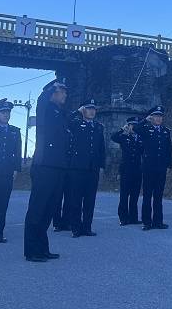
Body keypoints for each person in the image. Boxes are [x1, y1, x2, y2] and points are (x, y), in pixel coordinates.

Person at [23, 79, 71, 262]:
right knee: (38, 209)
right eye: (62, 91)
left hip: (59, 166)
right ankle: (31, 251)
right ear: (53, 92)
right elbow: (42, 99)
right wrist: (51, 87)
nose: (65, 94)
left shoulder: (60, 113)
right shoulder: (45, 109)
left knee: (49, 210)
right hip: (44, 166)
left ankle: (42, 248)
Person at [66, 100, 106, 238]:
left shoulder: (99, 127)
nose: (92, 111)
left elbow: (101, 148)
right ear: (83, 110)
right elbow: (65, 121)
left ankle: (87, 227)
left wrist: (101, 166)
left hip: (93, 168)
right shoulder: (76, 124)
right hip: (77, 167)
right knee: (76, 199)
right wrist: (77, 111)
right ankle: (75, 228)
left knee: (90, 200)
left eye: (94, 109)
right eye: (89, 108)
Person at [135, 106, 172, 231]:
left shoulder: (165, 131)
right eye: (156, 116)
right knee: (147, 195)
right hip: (148, 167)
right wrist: (145, 120)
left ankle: (158, 221)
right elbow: (136, 128)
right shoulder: (146, 129)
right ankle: (146, 222)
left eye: (160, 116)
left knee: (158, 195)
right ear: (151, 117)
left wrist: (169, 165)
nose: (158, 118)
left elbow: (168, 149)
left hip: (161, 167)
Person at [110, 117, 144, 226]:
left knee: (135, 195)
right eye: (132, 125)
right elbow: (113, 137)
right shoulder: (124, 137)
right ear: (128, 126)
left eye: (135, 125)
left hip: (137, 169)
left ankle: (133, 217)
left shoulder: (140, 138)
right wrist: (122, 130)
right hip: (126, 170)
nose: (134, 127)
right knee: (124, 195)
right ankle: (123, 217)